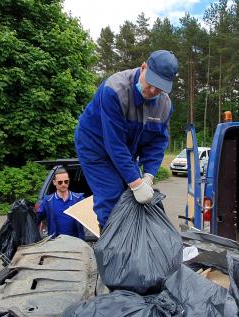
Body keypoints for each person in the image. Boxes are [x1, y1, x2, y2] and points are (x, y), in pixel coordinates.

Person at [75, 50, 178, 229]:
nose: (153, 91)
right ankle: (114, 251)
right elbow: (114, 143)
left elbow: (157, 142)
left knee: (133, 199)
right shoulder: (115, 90)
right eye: (152, 83)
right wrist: (136, 183)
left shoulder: (164, 105)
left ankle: (134, 245)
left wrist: (148, 176)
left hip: (125, 150)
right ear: (143, 67)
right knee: (112, 195)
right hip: (95, 147)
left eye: (160, 87)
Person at [36, 168, 86, 239]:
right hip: (56, 244)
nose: (63, 184)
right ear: (54, 182)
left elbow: (92, 216)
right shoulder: (48, 201)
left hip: (76, 244)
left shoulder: (78, 199)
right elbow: (35, 220)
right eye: (60, 182)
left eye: (66, 181)